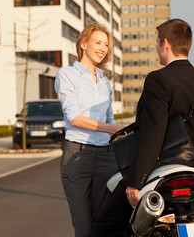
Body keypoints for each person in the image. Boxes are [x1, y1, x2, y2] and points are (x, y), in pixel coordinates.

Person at [94, 18, 194, 236]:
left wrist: (136, 181)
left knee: (105, 226)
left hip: (160, 171)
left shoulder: (158, 79)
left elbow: (154, 133)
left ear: (165, 43)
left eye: (157, 43)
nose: (157, 49)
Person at [54, 22, 123, 237]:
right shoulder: (66, 75)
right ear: (83, 44)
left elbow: (109, 116)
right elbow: (74, 117)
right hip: (78, 156)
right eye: (98, 42)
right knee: (84, 229)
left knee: (105, 224)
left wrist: (122, 136)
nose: (103, 48)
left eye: (106, 44)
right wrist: (113, 128)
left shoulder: (105, 81)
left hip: (106, 157)